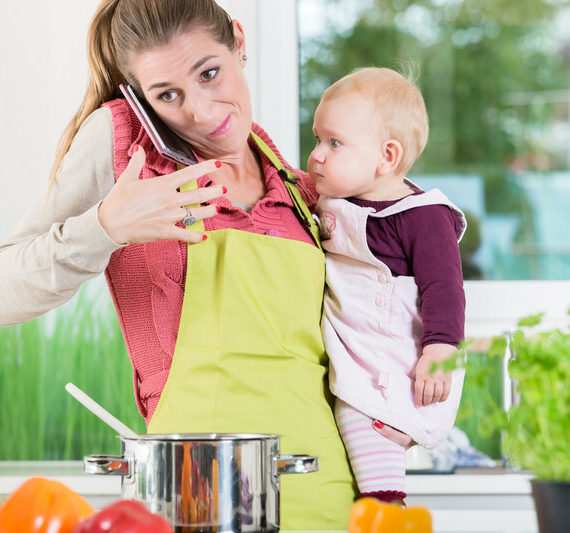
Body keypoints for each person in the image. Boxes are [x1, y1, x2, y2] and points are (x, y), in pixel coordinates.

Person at [0, 0, 356, 528]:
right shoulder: (124, 145)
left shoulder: (297, 186)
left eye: (210, 73)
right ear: (139, 96)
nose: (202, 111)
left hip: (322, 488)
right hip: (193, 494)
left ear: (238, 40)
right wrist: (107, 226)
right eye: (168, 95)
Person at [308, 67, 467, 506]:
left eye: (334, 143)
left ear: (387, 156)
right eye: (317, 139)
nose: (317, 155)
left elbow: (445, 288)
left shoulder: (424, 216)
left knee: (368, 432)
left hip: (395, 362)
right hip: (351, 348)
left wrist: (439, 350)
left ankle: (387, 511)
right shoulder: (329, 199)